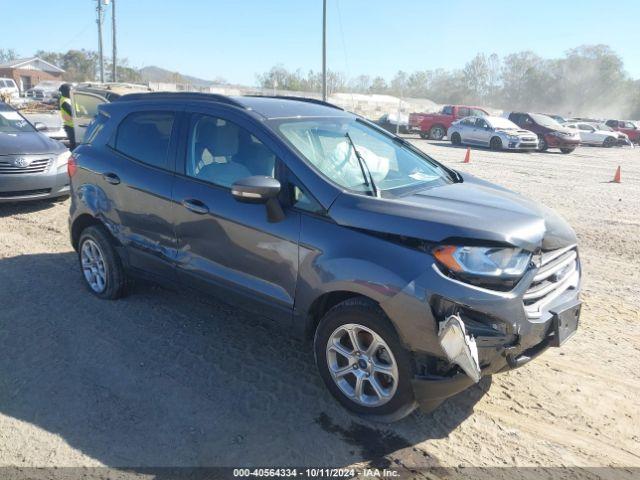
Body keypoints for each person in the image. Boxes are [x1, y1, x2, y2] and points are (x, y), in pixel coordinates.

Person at [58, 83, 75, 148]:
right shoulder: (65, 101)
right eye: (70, 90)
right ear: (66, 91)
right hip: (72, 126)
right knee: (74, 146)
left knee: (74, 145)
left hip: (74, 125)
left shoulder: (69, 99)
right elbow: (72, 113)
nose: (72, 92)